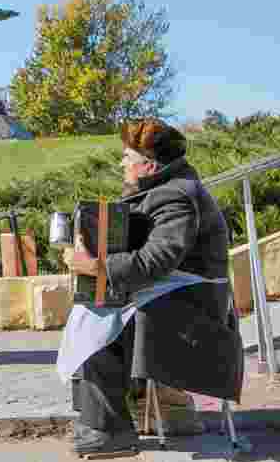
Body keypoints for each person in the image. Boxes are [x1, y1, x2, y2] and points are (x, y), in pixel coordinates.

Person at [63, 119, 241, 455]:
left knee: (100, 323)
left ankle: (109, 430)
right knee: (96, 310)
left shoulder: (176, 196)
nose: (122, 164)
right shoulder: (169, 188)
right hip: (179, 298)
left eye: (127, 157)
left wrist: (95, 267)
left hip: (193, 309)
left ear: (150, 165)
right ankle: (106, 420)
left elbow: (157, 260)